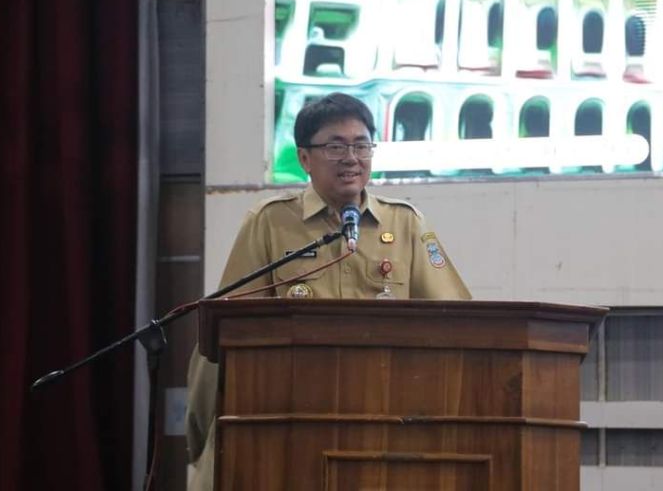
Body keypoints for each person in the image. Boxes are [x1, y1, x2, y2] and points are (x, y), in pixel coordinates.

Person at [185, 92, 471, 491]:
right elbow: (228, 329)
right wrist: (203, 430)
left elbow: (456, 320)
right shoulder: (271, 222)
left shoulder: (405, 223)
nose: (351, 158)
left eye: (361, 145)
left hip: (384, 411)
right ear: (305, 158)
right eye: (335, 147)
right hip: (294, 414)